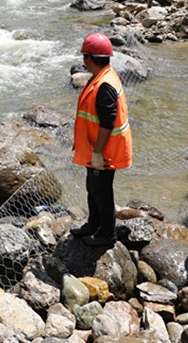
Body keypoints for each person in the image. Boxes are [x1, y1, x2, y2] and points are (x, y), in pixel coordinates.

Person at [70, 33, 133, 247]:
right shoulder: (102, 76)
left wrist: (97, 153)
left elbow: (107, 123)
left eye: (84, 56)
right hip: (97, 148)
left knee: (101, 191)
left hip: (104, 151)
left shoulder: (105, 85)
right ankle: (93, 225)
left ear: (89, 59)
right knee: (93, 188)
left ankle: (107, 235)